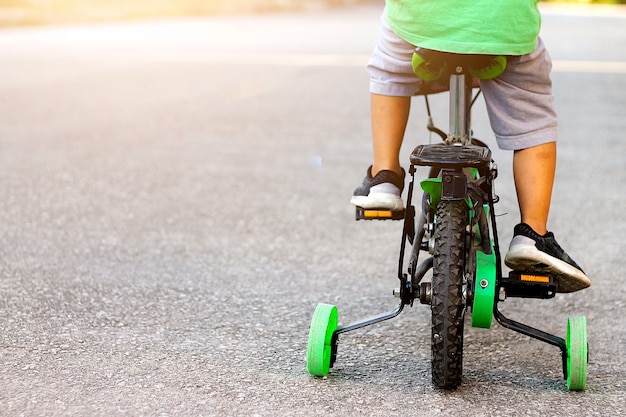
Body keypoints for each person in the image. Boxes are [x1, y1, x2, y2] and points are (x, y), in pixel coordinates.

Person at [350, 1, 590, 293]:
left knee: (389, 70)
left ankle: (385, 177)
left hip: (422, 22)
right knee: (532, 118)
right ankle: (532, 234)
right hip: (500, 25)